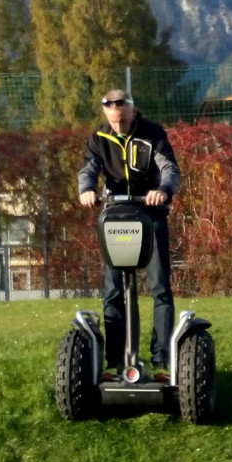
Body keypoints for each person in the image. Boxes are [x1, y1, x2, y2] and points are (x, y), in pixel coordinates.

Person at [78, 89, 180, 380]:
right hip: (117, 217)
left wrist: (162, 190)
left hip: (151, 214)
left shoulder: (152, 133)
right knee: (113, 290)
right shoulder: (100, 137)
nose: (118, 124)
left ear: (133, 111)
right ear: (107, 116)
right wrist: (86, 190)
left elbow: (169, 169)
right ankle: (116, 361)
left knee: (160, 287)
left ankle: (162, 358)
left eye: (122, 118)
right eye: (113, 119)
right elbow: (88, 169)